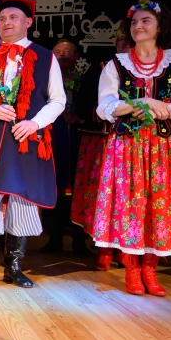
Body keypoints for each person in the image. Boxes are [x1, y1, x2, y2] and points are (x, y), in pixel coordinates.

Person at [84, 0, 171, 296]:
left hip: (163, 144)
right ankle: (132, 270)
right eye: (134, 22)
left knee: (159, 204)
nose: (138, 26)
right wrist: (141, 102)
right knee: (130, 205)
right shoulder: (116, 64)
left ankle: (150, 269)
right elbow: (106, 106)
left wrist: (162, 107)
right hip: (128, 145)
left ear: (160, 27)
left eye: (145, 21)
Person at [0, 0, 67, 290]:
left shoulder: (45, 57)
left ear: (28, 22)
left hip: (25, 140)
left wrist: (34, 123)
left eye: (13, 17)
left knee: (21, 199)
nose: (7, 22)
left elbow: (58, 100)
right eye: (3, 18)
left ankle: (14, 267)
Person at [71, 35, 129, 270]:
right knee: (102, 195)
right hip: (101, 141)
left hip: (132, 142)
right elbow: (83, 105)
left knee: (127, 196)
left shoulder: (149, 71)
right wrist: (114, 112)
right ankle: (104, 250)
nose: (126, 44)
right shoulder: (102, 68)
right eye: (122, 39)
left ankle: (125, 250)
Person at [41, 39, 89, 254]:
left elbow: (97, 104)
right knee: (53, 188)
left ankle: (79, 241)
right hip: (52, 139)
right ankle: (54, 239)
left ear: (77, 56)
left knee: (81, 189)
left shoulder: (86, 80)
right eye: (58, 51)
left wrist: (80, 115)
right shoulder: (43, 79)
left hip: (80, 140)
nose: (63, 55)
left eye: (68, 51)